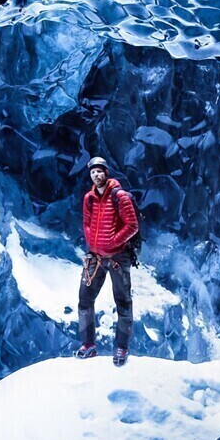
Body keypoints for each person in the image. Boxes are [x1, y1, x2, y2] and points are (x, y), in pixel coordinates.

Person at [76, 155, 138, 365]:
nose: (96, 175)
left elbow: (132, 225)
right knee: (85, 299)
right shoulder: (89, 198)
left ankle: (121, 348)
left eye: (99, 171)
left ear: (106, 173)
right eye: (93, 172)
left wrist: (112, 242)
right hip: (95, 257)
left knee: (122, 302)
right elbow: (86, 222)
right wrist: (93, 244)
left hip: (118, 257)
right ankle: (88, 345)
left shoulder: (120, 196)